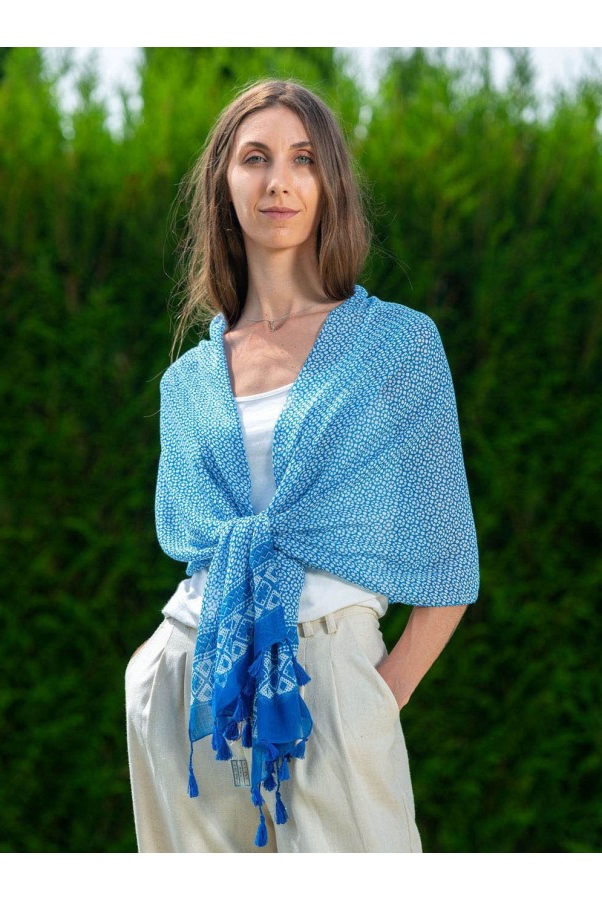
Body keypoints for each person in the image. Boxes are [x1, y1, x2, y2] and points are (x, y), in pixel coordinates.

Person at [124, 77, 480, 854]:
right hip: (188, 681)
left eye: (303, 159)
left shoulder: (396, 345)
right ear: (224, 185)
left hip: (330, 668)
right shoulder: (186, 381)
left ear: (330, 185)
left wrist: (378, 695)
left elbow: (448, 558)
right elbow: (191, 544)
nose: (277, 180)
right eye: (254, 158)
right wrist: (152, 669)